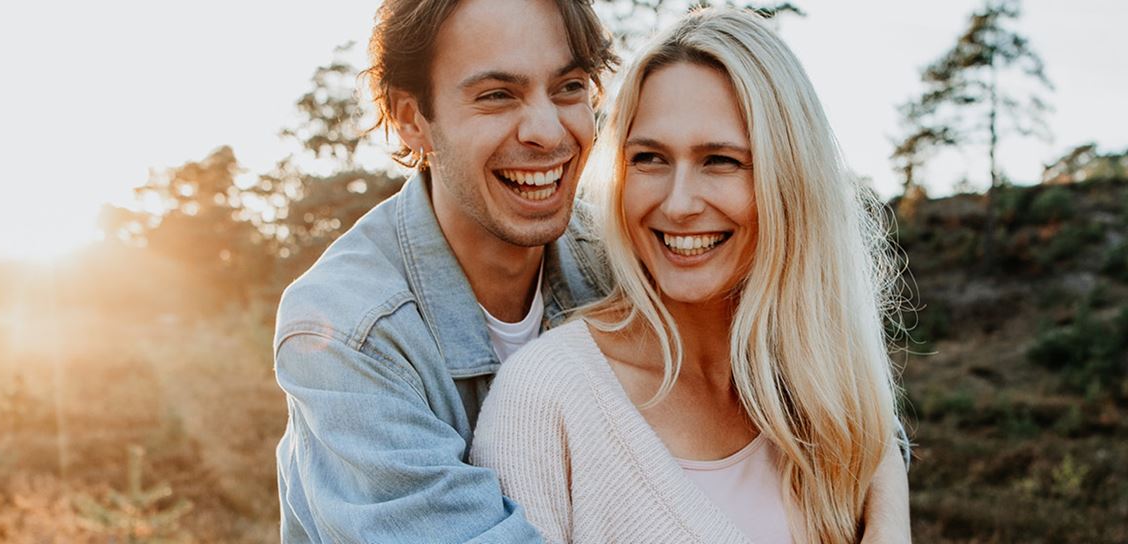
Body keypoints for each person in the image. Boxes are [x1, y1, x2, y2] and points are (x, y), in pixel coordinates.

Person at [472, 7, 911, 544]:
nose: (678, 205)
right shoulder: (546, 401)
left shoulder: (825, 391)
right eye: (650, 158)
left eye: (721, 161)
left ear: (791, 180)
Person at [272, 0, 619, 541]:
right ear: (412, 119)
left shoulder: (619, 267)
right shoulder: (346, 329)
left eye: (569, 86)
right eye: (497, 96)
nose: (548, 133)